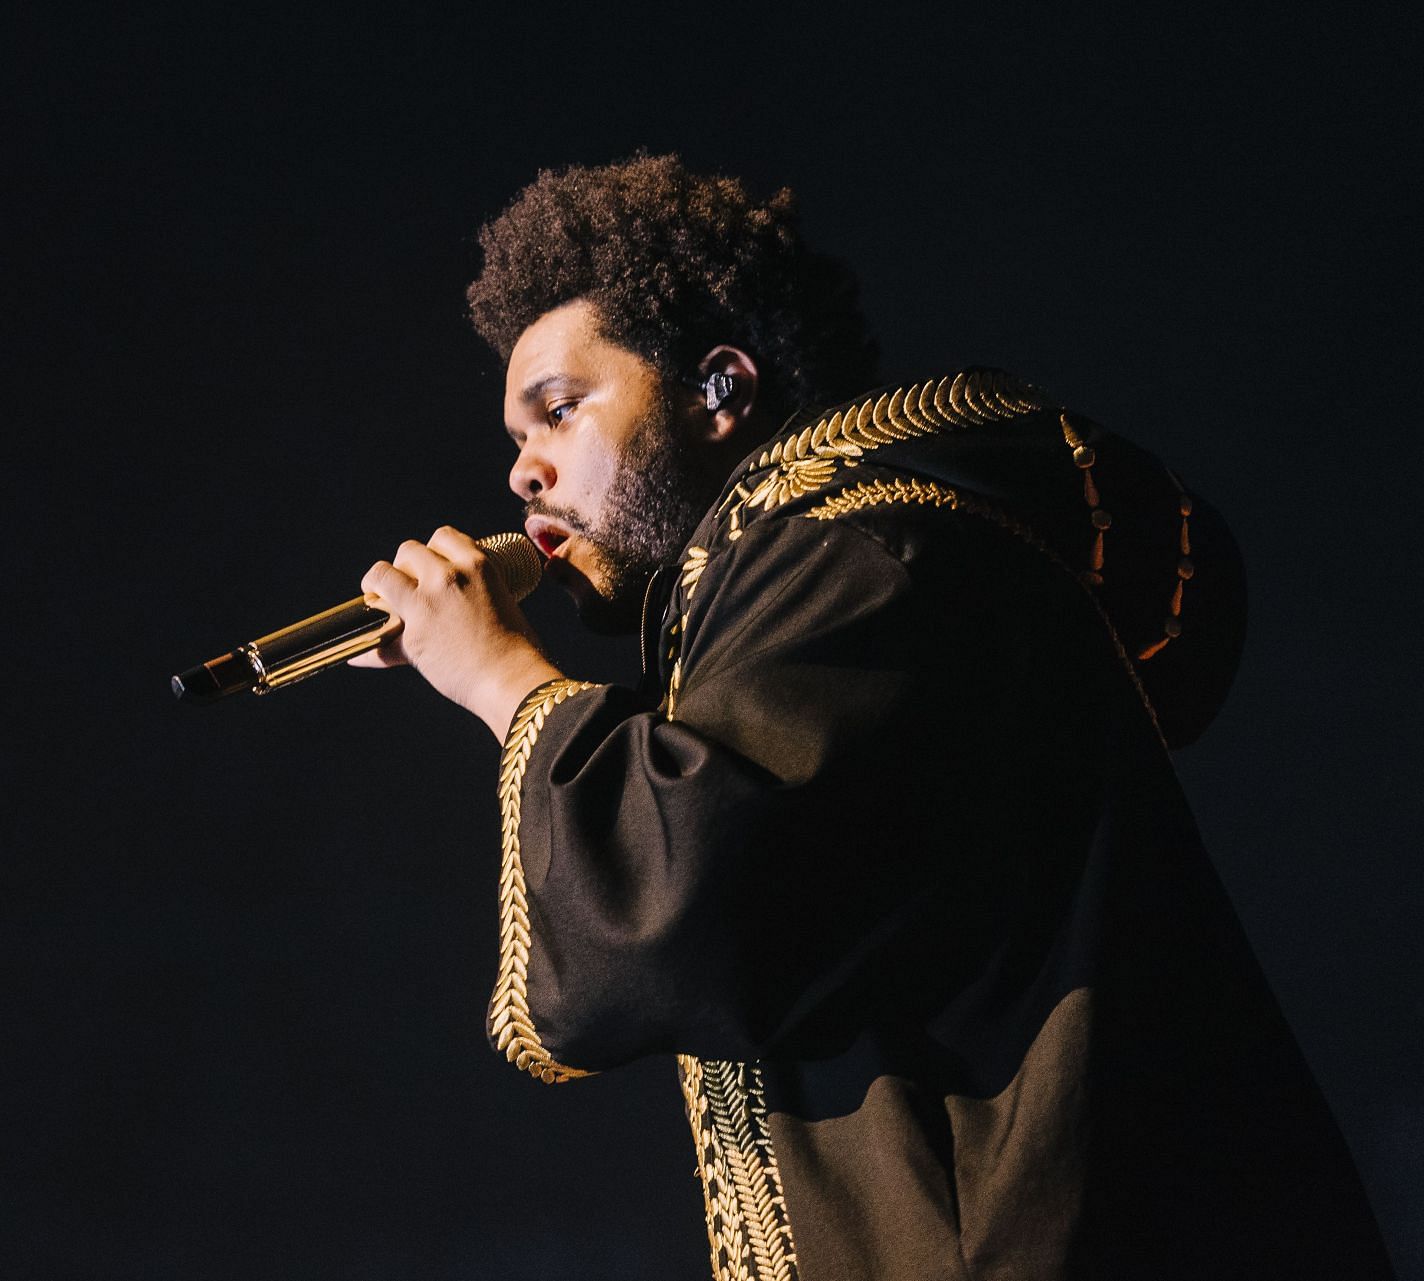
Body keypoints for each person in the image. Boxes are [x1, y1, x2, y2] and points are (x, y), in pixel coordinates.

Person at [352, 155, 1391, 1280]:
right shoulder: (816, 568)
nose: (523, 475)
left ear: (720, 391)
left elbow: (686, 907)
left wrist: (502, 676)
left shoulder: (863, 551)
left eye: (558, 412)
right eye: (515, 439)